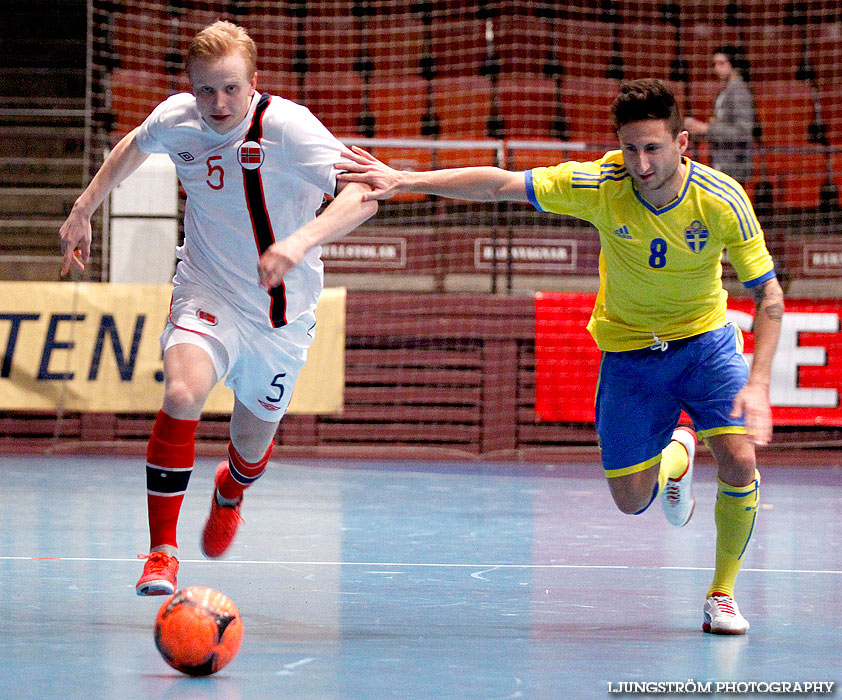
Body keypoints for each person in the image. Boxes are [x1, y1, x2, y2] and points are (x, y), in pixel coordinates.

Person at [334, 79, 784, 635]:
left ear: (683, 143)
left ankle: (721, 595)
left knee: (740, 459)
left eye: (654, 148)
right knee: (631, 500)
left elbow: (768, 297)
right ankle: (679, 458)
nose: (640, 163)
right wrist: (405, 179)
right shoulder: (600, 183)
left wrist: (758, 382)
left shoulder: (722, 200)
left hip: (704, 343)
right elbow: (501, 183)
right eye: (630, 148)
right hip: (629, 352)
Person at [58, 20, 377, 596]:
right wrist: (84, 208)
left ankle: (231, 490)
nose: (217, 102)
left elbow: (365, 191)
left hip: (280, 315)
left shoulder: (288, 128)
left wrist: (300, 242)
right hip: (207, 288)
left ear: (254, 83)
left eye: (230, 88)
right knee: (181, 392)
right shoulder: (179, 117)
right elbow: (134, 143)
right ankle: (161, 553)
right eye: (205, 89)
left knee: (251, 449)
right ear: (191, 86)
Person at [684, 45, 756, 183]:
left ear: (733, 64)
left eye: (722, 63)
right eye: (715, 64)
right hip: (723, 159)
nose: (717, 68)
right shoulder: (727, 90)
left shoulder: (739, 92)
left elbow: (743, 132)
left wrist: (706, 128)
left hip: (734, 163)